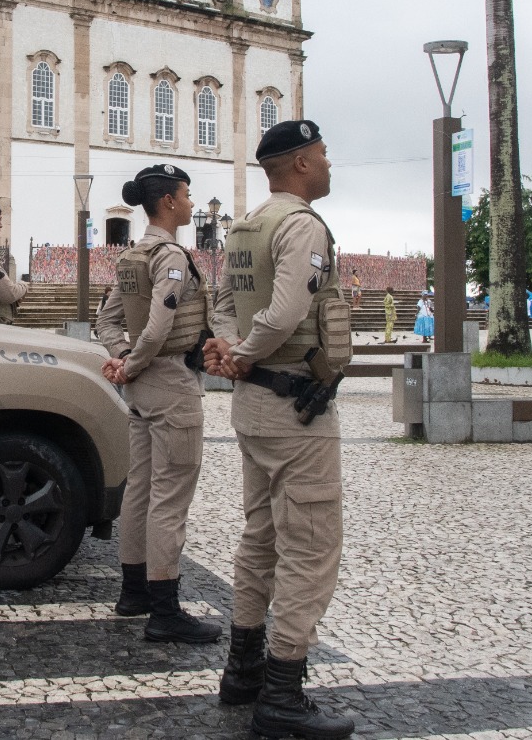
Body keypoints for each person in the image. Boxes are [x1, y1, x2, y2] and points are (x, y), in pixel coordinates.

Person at [203, 119, 355, 739]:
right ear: (297, 164)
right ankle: (284, 692)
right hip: (295, 408)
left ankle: (242, 671)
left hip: (254, 410)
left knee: (260, 536)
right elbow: (290, 307)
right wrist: (247, 351)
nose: (327, 163)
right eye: (322, 154)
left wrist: (231, 346)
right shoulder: (301, 225)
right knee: (311, 547)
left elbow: (220, 302)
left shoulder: (244, 227)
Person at [93, 163, 220, 645]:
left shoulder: (131, 255)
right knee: (171, 497)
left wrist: (123, 359)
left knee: (140, 490)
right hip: (168, 381)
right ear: (168, 201)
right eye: (186, 195)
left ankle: (134, 592)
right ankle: (165, 612)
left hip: (142, 388)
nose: (191, 203)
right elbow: (161, 325)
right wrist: (134, 362)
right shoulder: (169, 256)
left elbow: (106, 322)